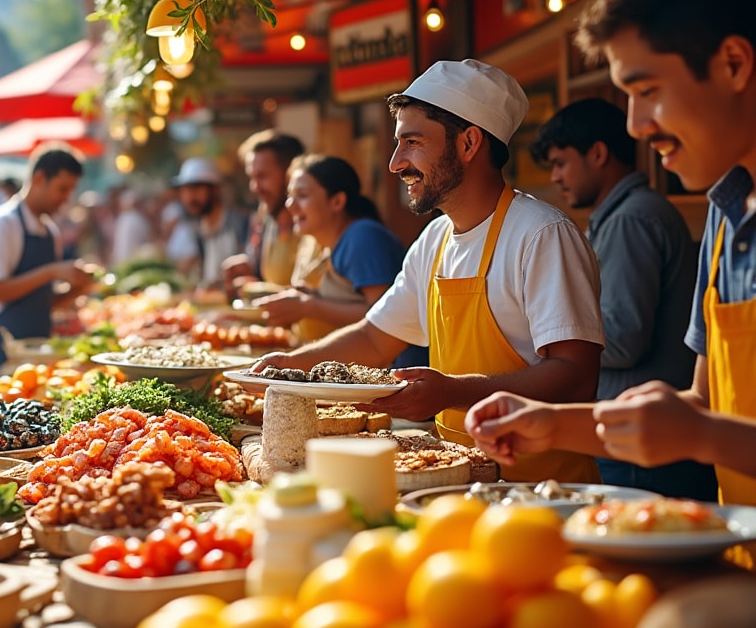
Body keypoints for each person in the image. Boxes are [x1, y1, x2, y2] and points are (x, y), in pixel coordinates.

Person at [467, 0, 756, 507]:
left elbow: (705, 428)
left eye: (646, 89)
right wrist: (554, 424)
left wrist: (702, 434)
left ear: (732, 63)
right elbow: (703, 405)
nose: (635, 125)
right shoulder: (727, 219)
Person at [254, 59, 604, 484]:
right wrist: (288, 368)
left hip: (544, 488)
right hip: (455, 479)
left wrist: (453, 392)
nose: (396, 163)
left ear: (469, 143)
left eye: (412, 142)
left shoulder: (542, 235)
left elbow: (576, 378)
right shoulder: (435, 239)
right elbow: (373, 337)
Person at [531, 98, 714, 500]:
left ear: (597, 153)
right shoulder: (624, 215)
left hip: (642, 444)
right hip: (643, 434)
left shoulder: (631, 219)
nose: (557, 177)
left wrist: (550, 337)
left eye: (561, 163)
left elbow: (624, 336)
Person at [253, 154, 427, 367]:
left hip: (399, 376)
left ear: (337, 201)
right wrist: (310, 297)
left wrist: (308, 307)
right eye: (290, 195)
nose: (290, 205)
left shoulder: (362, 236)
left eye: (302, 195)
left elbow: (383, 316)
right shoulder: (336, 242)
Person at [0, 146, 94, 375]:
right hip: (5, 354)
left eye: (70, 190)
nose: (66, 198)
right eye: (62, 189)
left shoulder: (51, 231)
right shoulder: (3, 223)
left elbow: (42, 302)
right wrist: (50, 272)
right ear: (39, 178)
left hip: (40, 353)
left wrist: (78, 289)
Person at [223, 130, 309, 298]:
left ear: (290, 175)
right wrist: (252, 272)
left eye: (262, 176)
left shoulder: (315, 226)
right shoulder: (264, 221)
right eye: (251, 177)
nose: (254, 187)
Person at [166, 157, 250, 291]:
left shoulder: (240, 223)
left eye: (196, 189)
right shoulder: (198, 230)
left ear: (214, 190)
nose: (190, 197)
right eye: (185, 191)